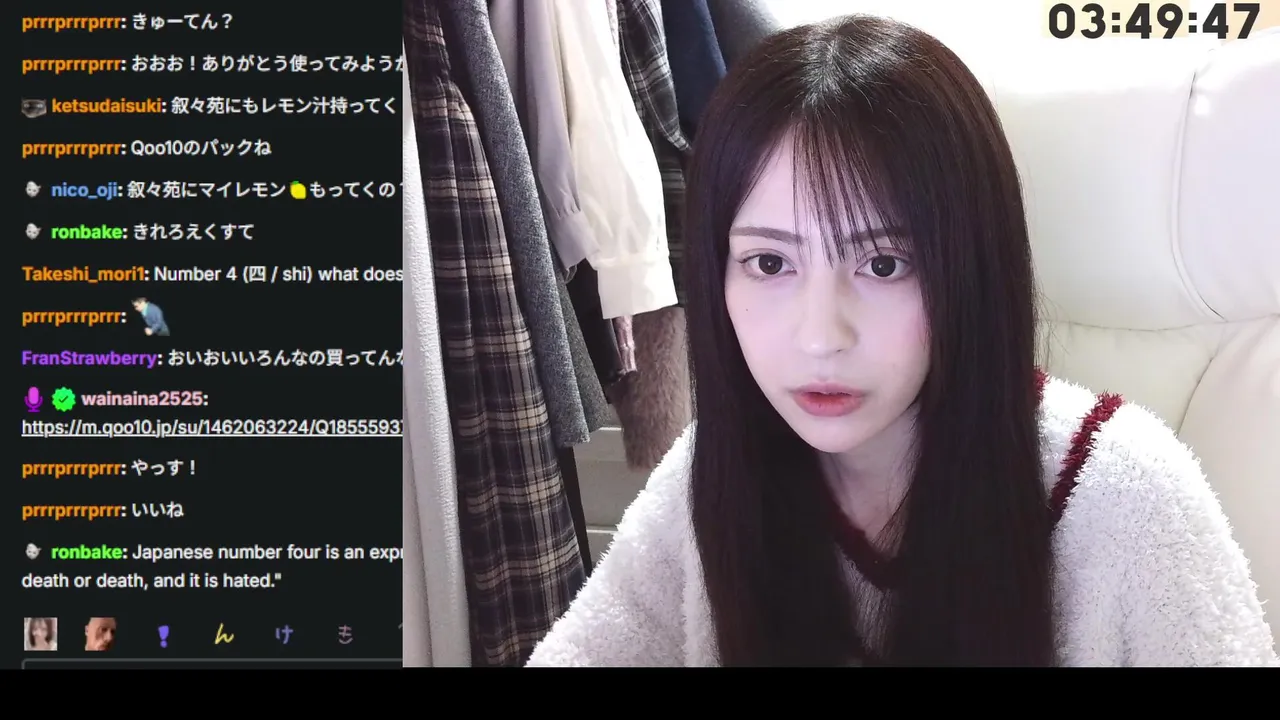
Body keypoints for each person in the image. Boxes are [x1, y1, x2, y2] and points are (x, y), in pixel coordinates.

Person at [527, 15, 1278, 667]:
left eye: (883, 264)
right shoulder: (709, 474)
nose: (820, 337)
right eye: (770, 263)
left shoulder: (1123, 495)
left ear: (968, 266)